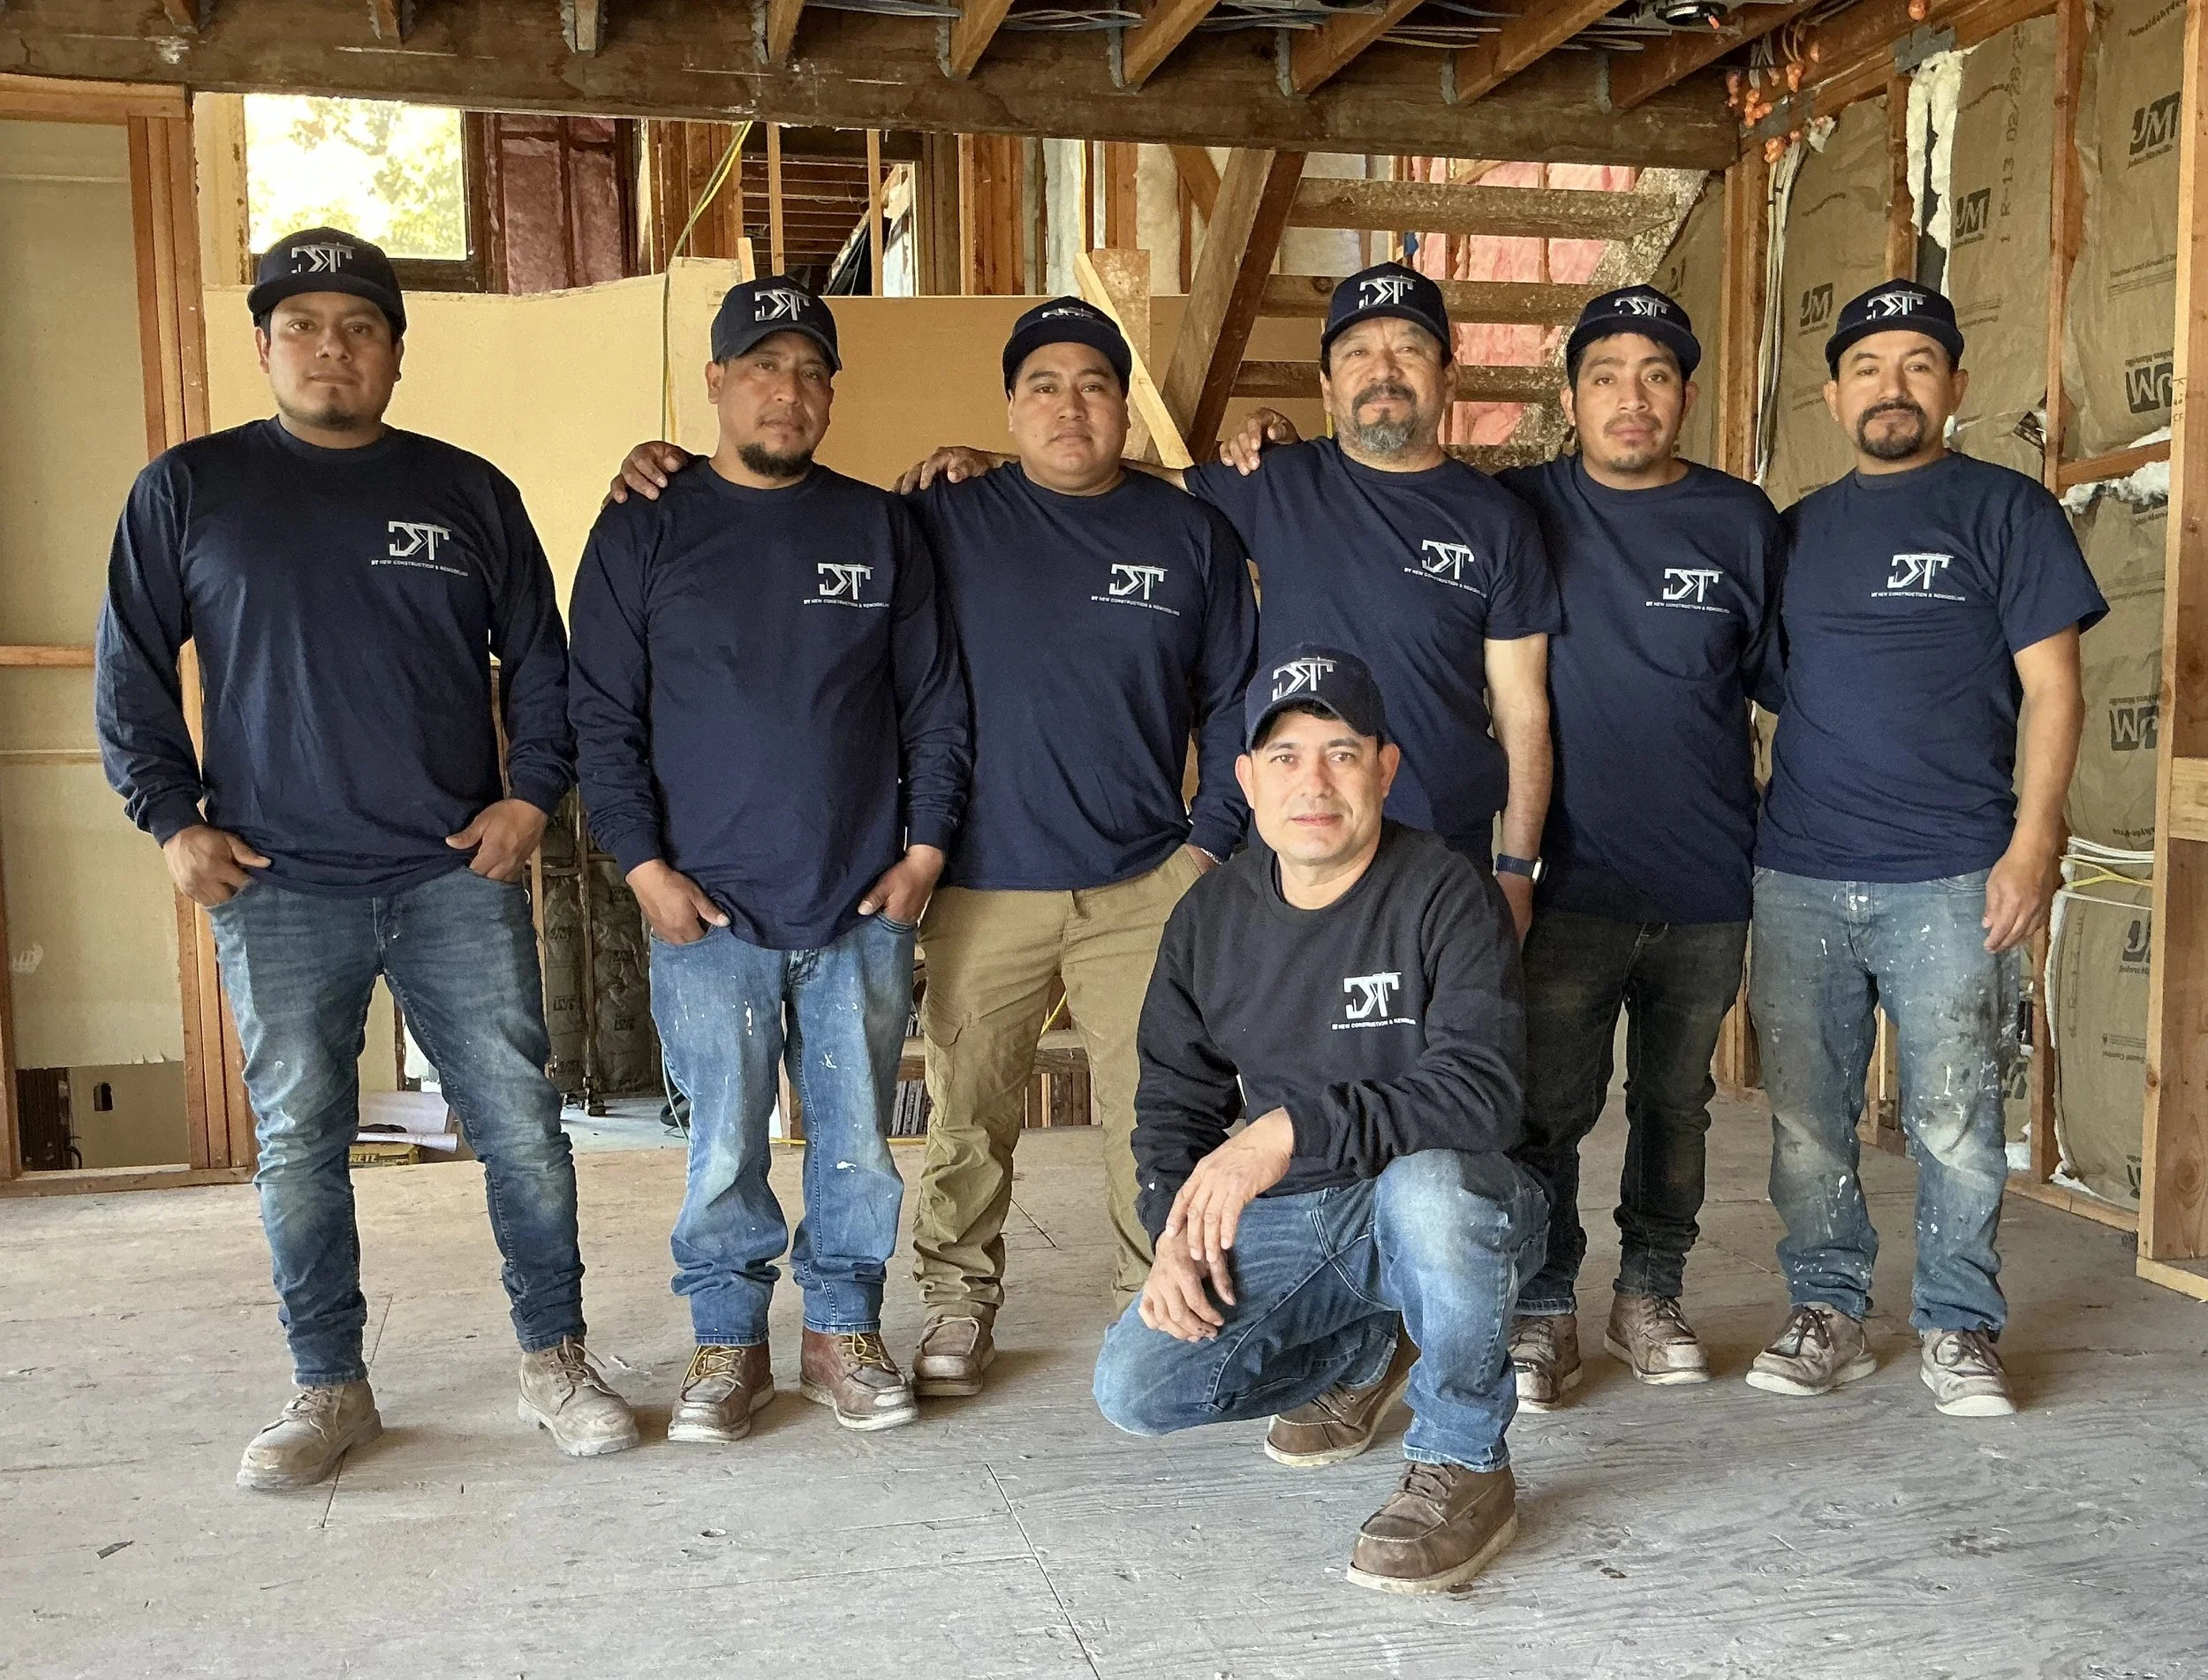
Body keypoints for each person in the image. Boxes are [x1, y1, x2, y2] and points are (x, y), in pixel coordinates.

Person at [95, 227, 638, 1490]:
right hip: (276, 880)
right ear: (263, 346)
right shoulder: (189, 490)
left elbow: (543, 666)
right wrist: (170, 818)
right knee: (297, 1136)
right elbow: (130, 670)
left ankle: (555, 1355)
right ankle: (328, 1384)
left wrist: (528, 799)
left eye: (359, 328)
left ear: (397, 348)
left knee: (520, 1124)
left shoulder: (469, 492)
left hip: (454, 871)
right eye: (303, 328)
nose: (331, 349)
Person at [616, 262, 1559, 935]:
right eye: (1358, 351)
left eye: (1407, 349)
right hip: (1284, 853)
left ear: (1447, 371)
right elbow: (1143, 473)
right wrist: (1008, 463)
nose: (1382, 370)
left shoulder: (1495, 517)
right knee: (1289, 1098)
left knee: (1446, 1098)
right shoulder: (1268, 481)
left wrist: (1515, 869)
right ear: (1325, 381)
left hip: (1434, 853)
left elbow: (1522, 713)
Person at [567, 277, 971, 1440]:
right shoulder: (645, 522)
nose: (784, 392)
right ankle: (727, 1344)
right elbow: (605, 713)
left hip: (858, 900)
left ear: (830, 393)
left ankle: (844, 1334)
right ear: (715, 383)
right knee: (722, 1147)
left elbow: (934, 700)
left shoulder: (880, 527)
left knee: (857, 1145)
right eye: (760, 367)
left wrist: (927, 849)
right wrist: (644, 867)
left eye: (807, 371)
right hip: (708, 910)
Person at [1091, 647, 1545, 1596]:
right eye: (1287, 755)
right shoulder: (1208, 918)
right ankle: (1368, 1346)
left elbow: (1483, 1093)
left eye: (1341, 752)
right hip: (1304, 1217)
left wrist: (1285, 1129)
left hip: (1455, 1204)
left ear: (1384, 768)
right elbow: (1171, 1108)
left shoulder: (1444, 892)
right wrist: (1170, 1237)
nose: (1314, 781)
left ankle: (1466, 1462)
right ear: (1247, 780)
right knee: (1137, 1390)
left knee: (1426, 1189)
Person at [1746, 280, 2105, 1418]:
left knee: (1955, 1118)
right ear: (1831, 393)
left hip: (1953, 873)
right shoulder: (1793, 532)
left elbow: (2054, 689)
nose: (1890, 386)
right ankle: (1829, 1311)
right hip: (1799, 870)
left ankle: (1958, 1325)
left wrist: (2033, 840)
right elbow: (1771, 693)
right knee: (1807, 1116)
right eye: (1867, 367)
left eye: (1915, 364)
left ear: (1953, 386)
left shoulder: (2006, 511)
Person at [1489, 288, 1786, 1407]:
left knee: (1676, 1103)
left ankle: (1648, 1294)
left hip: (1707, 878)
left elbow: (1783, 684)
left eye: (1655, 375)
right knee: (1546, 1107)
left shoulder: (1739, 520)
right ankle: (1544, 1306)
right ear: (1569, 398)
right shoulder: (1516, 508)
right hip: (1561, 882)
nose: (1630, 396)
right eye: (1605, 374)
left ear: (1686, 397)